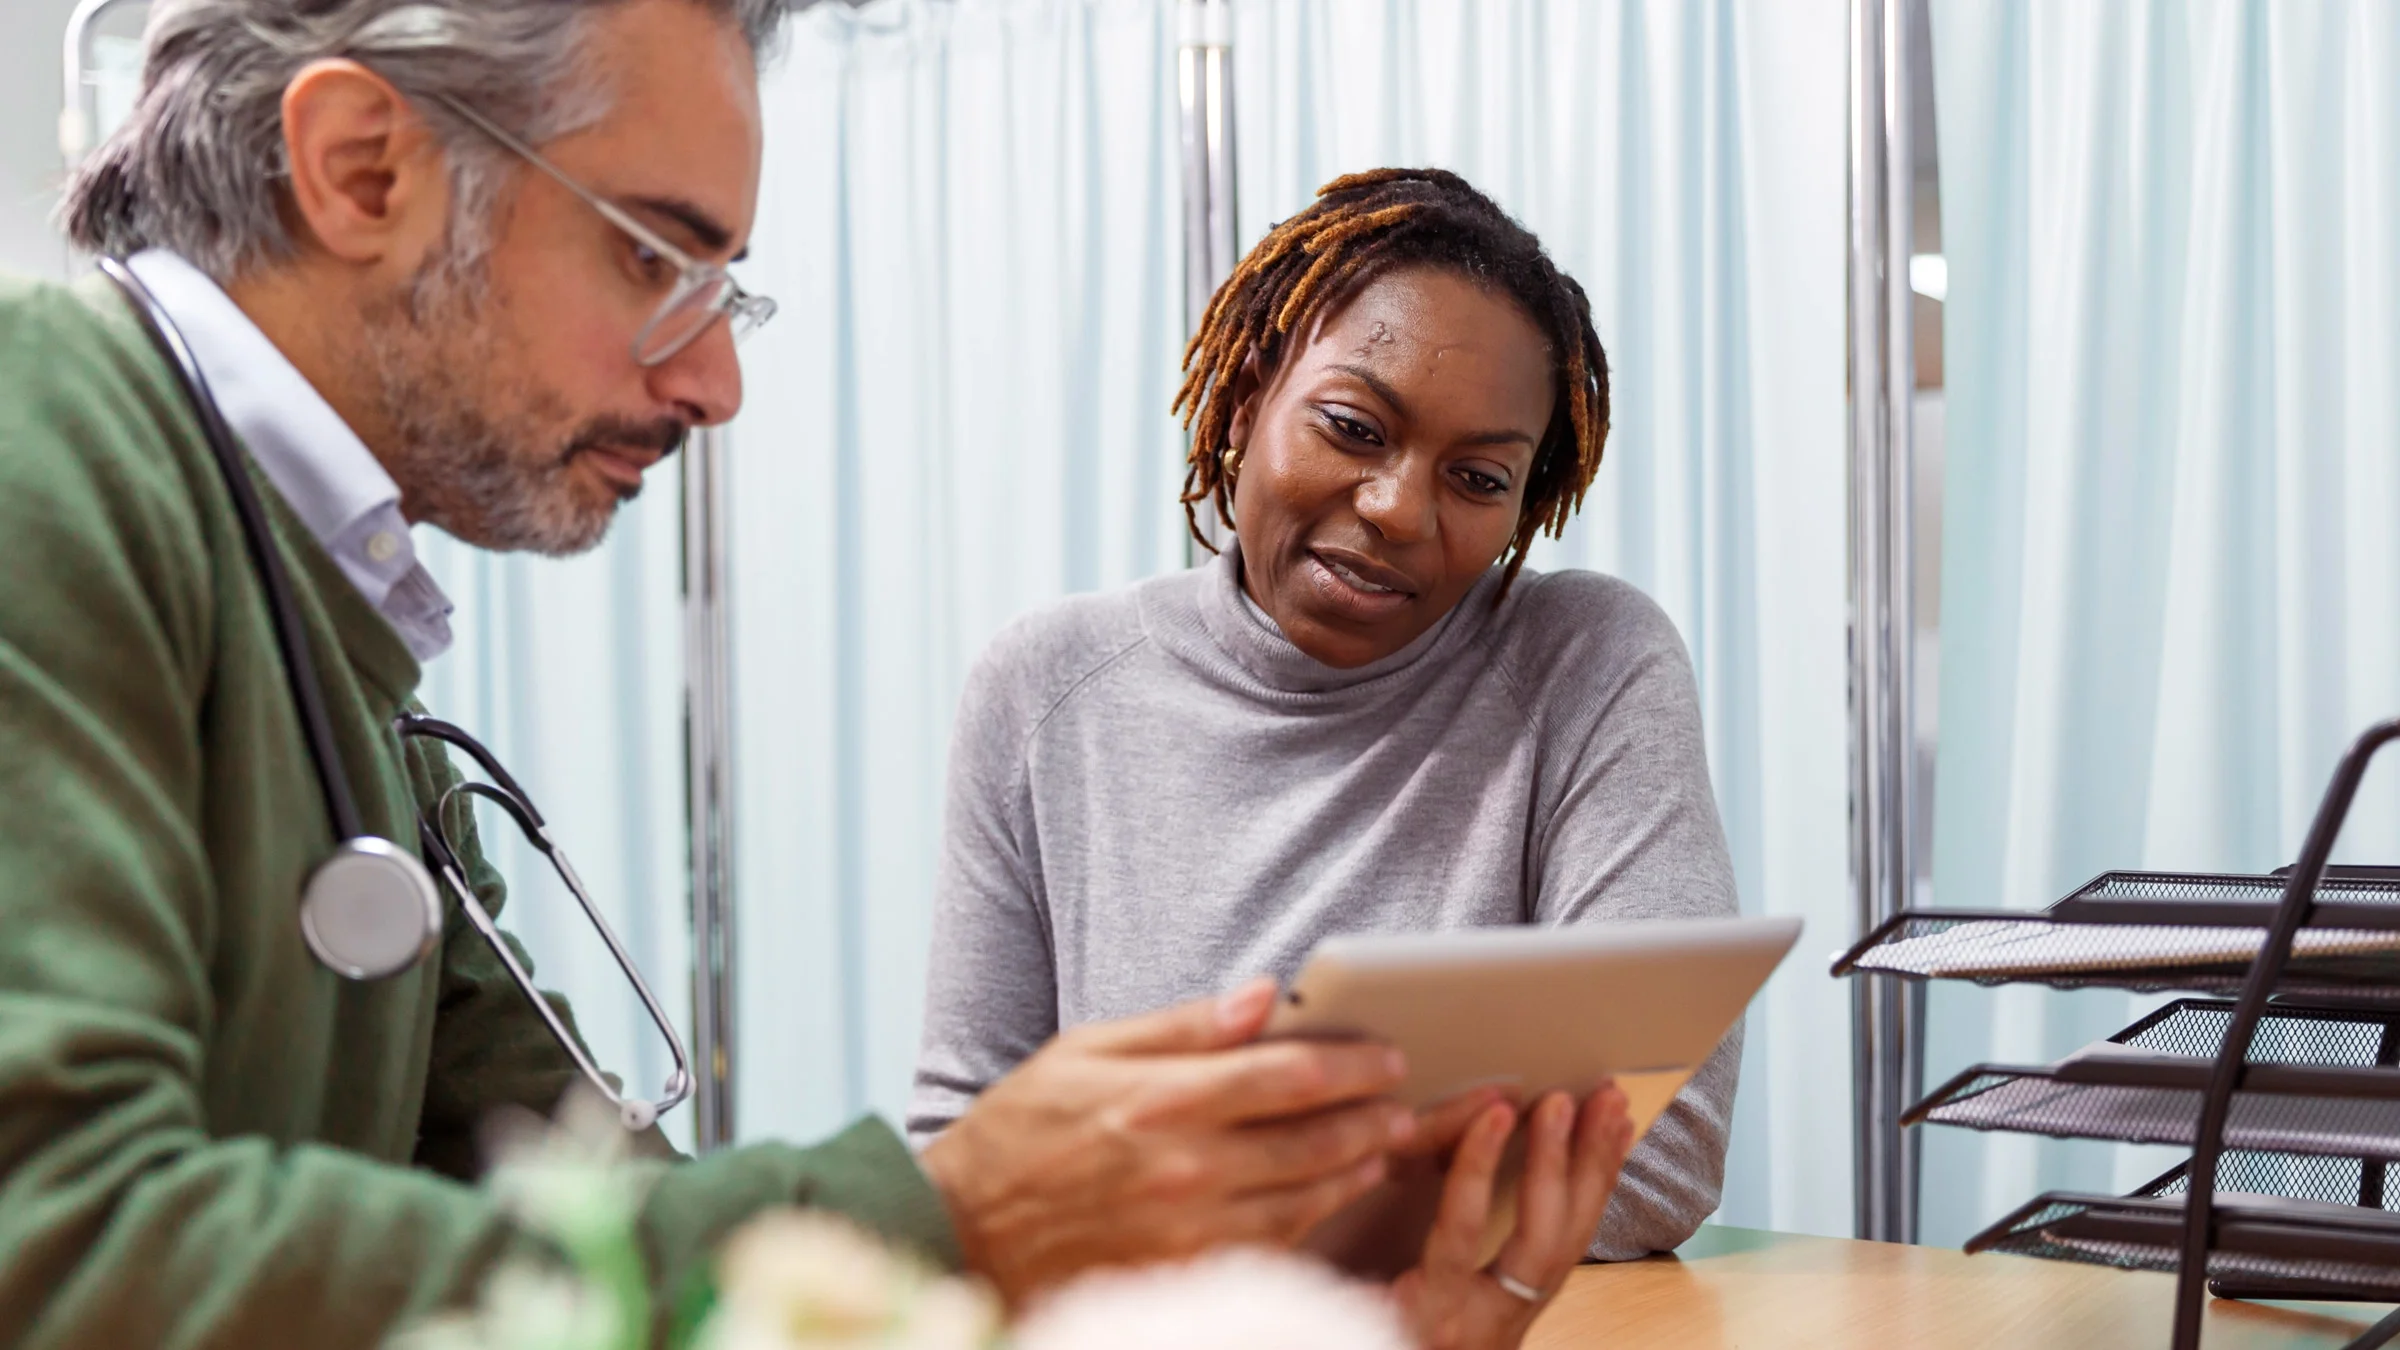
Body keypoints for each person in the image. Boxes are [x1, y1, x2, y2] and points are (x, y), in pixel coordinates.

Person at [0, 4, 1573, 1345]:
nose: (715, 379)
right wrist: (947, 1211)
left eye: (724, 289)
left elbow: (590, 1211)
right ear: (364, 169)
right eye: (654, 260)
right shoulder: (42, 451)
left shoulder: (320, 619)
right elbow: (57, 1246)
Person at [911, 168, 1742, 1332]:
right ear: (1249, 398)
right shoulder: (1044, 688)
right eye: (1354, 427)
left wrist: (1151, 1207)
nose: (1402, 508)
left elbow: (1655, 1153)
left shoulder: (1588, 665)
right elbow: (965, 1165)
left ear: (1527, 505)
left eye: (1479, 478)